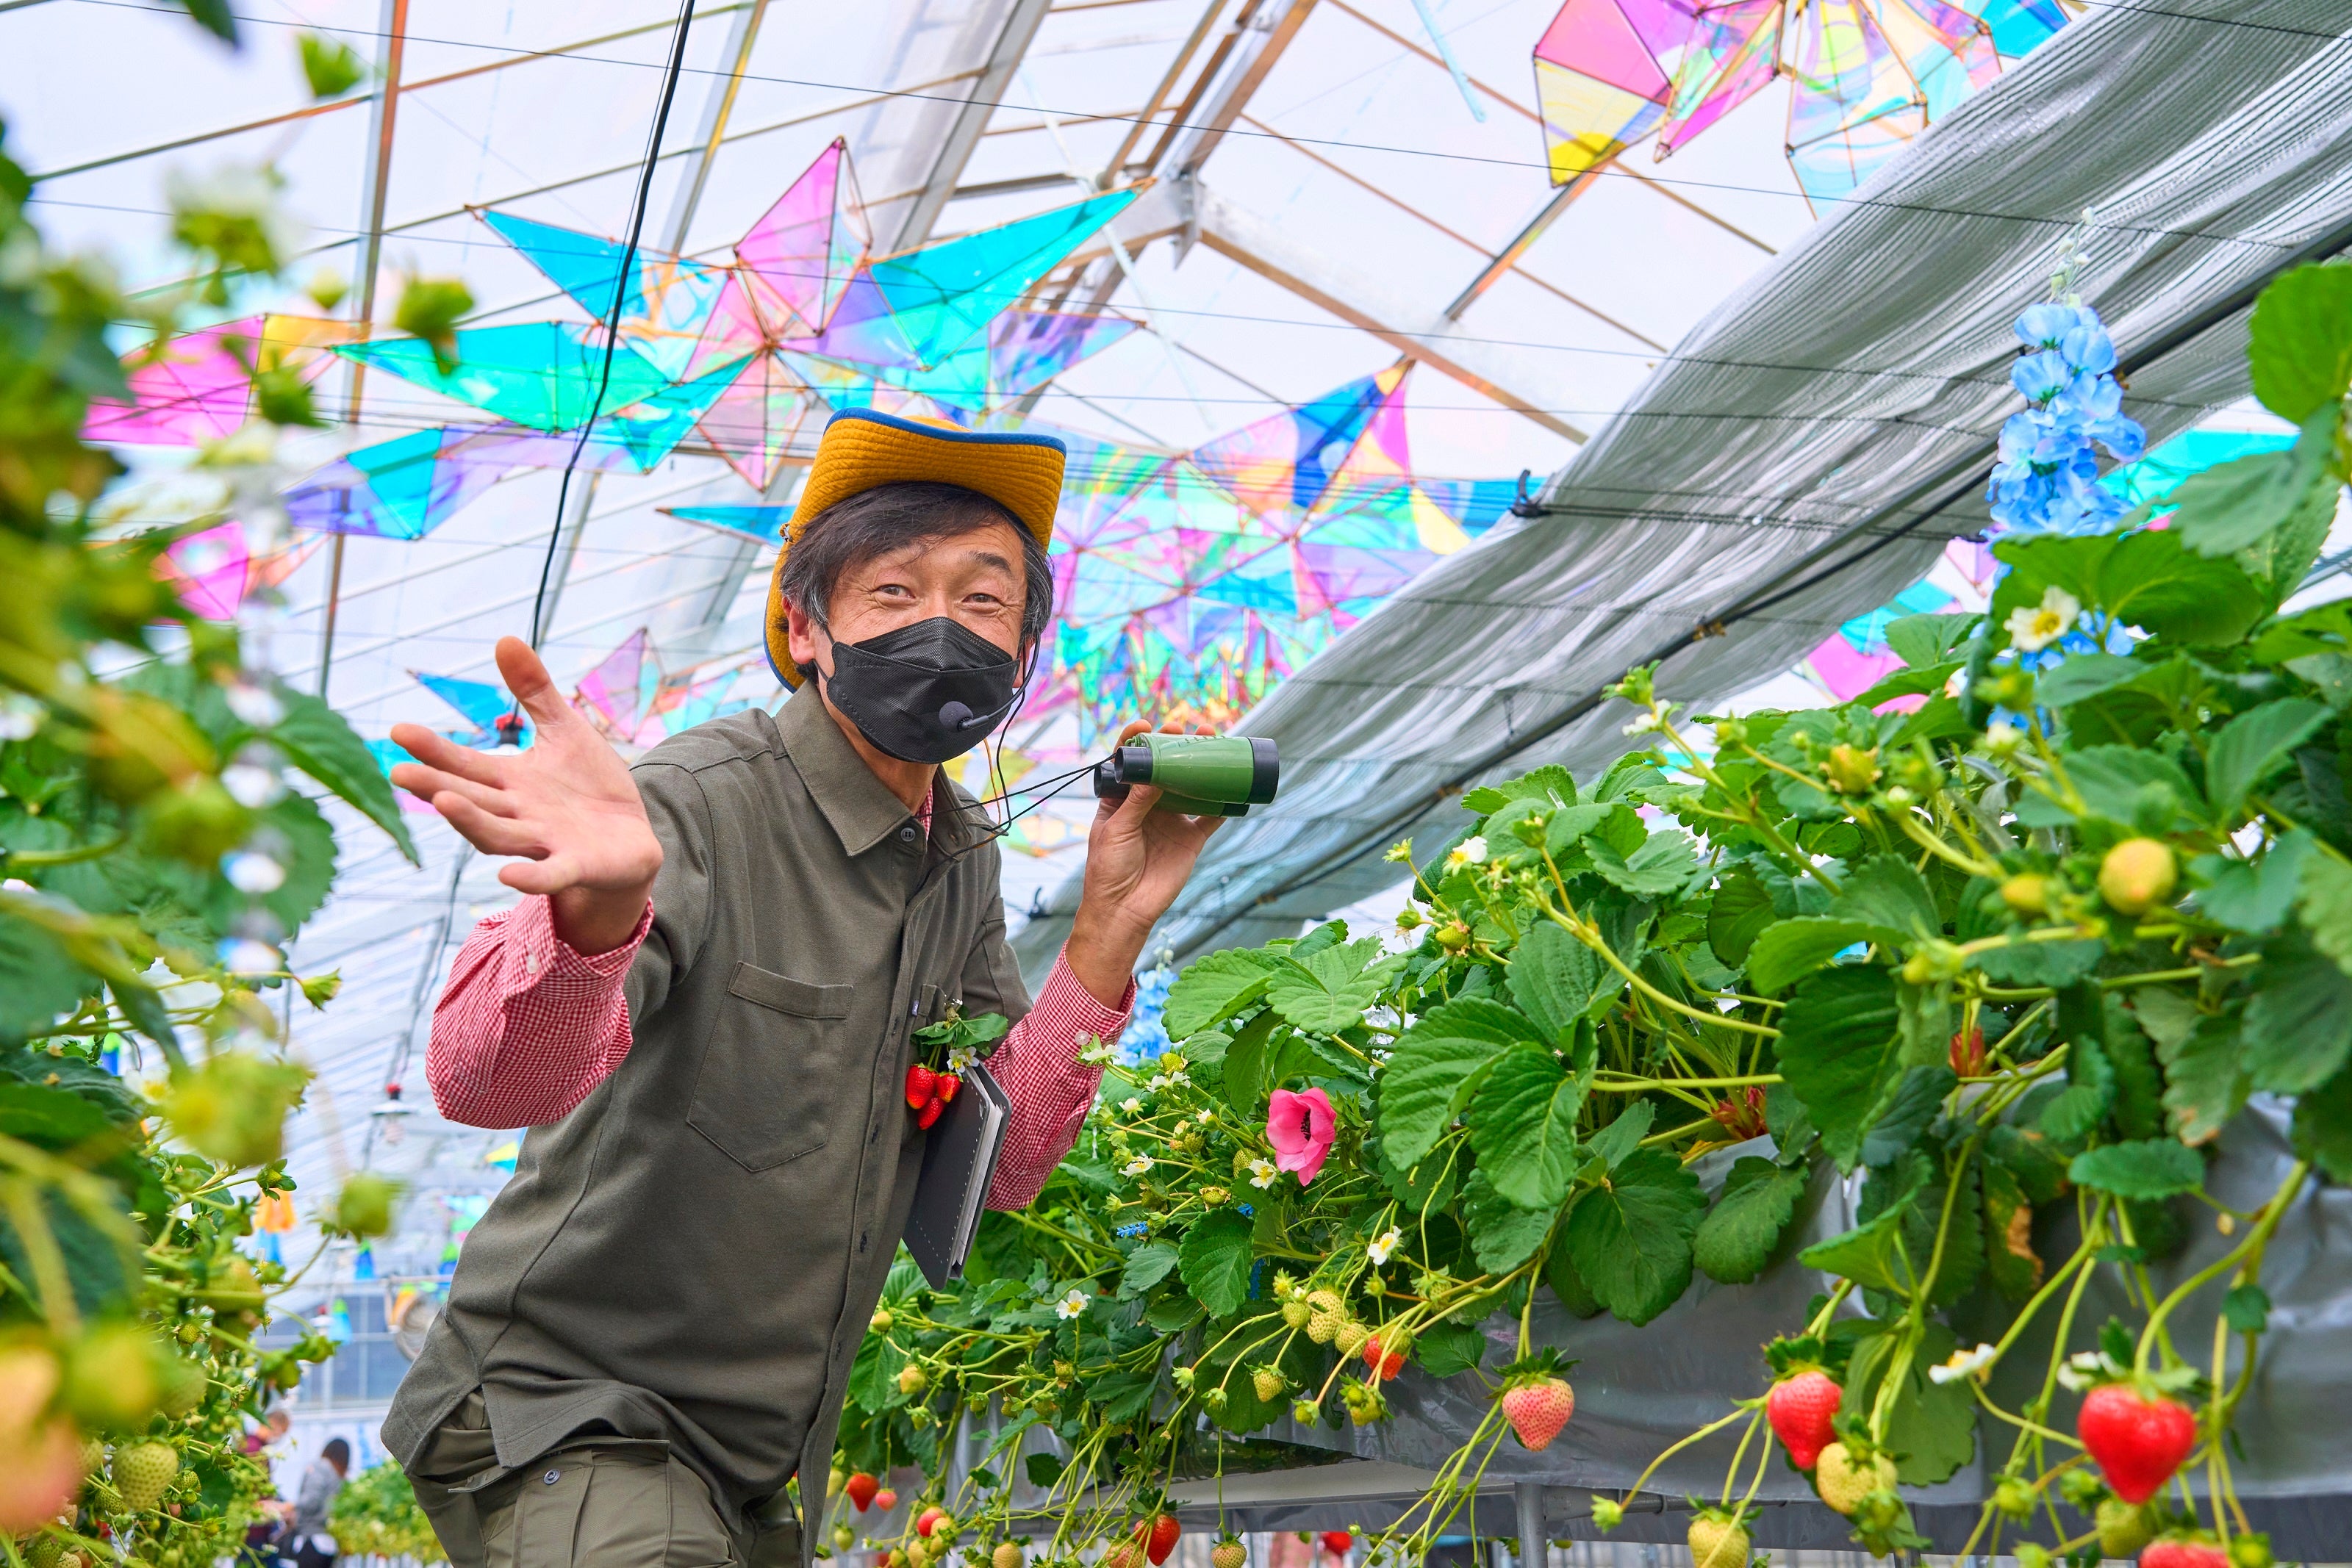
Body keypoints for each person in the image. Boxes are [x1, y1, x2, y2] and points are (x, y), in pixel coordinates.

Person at [380, 410, 1224, 1568]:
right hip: (571, 1412)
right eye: (893, 591)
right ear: (803, 627)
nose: (941, 626)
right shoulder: (693, 803)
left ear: (1026, 655)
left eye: (985, 601)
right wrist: (593, 915)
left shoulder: (958, 855)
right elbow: (485, 1083)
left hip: (758, 1466)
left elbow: (997, 1170)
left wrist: (1107, 931)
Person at [282, 1436, 348, 1568]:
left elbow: (312, 1500)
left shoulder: (320, 1467)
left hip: (311, 1539)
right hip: (328, 1542)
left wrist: (290, 1507)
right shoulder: (337, 1476)